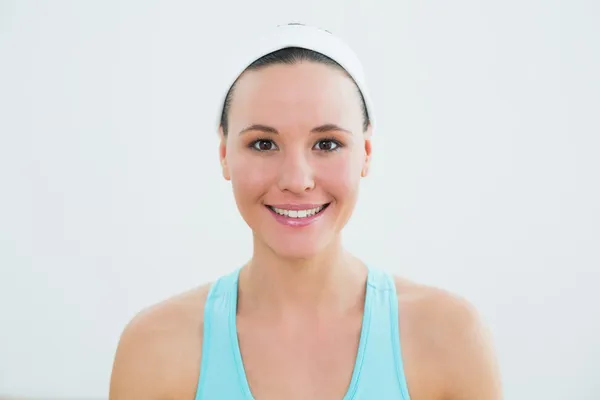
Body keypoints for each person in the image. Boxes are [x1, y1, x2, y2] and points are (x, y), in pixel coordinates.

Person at [109, 23, 503, 399]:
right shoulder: (155, 348)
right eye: (264, 144)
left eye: (327, 144)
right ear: (224, 155)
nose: (297, 180)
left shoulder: (451, 339)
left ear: (365, 153)